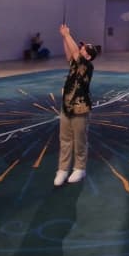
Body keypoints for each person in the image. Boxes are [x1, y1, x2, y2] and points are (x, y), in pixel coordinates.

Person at [54, 23, 100, 186]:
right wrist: (63, 37)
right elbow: (69, 54)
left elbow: (74, 52)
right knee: (64, 138)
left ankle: (79, 168)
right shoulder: (75, 63)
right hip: (66, 105)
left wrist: (67, 35)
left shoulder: (87, 66)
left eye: (83, 50)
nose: (80, 50)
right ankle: (63, 169)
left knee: (79, 139)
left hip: (80, 108)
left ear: (88, 56)